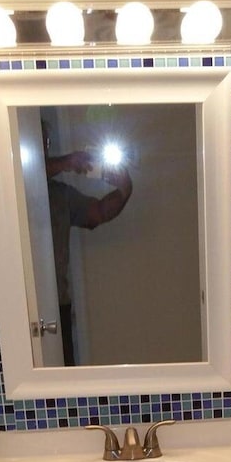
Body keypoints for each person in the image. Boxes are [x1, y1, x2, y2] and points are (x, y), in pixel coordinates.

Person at [43, 126, 133, 365]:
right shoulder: (9, 185)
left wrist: (125, 189)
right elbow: (20, 176)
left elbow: (98, 213)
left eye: (44, 141)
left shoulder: (60, 195)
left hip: (56, 306)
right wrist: (66, 162)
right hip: (14, 305)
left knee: (62, 389)